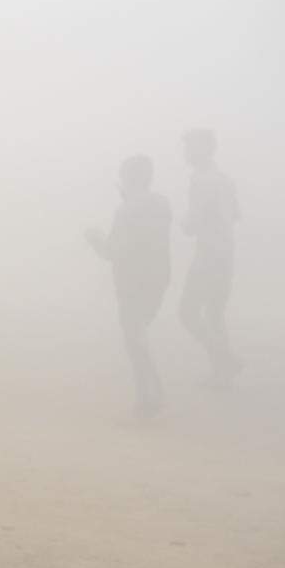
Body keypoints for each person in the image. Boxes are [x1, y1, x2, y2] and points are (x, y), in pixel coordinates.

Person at [86, 155, 172, 418]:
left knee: (134, 338)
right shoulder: (162, 203)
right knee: (139, 332)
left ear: (128, 178)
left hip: (132, 281)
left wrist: (94, 238)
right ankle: (154, 393)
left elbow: (114, 251)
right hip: (159, 277)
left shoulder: (126, 210)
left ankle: (148, 399)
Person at [178, 128, 242, 384]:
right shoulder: (225, 179)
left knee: (187, 312)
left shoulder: (202, 180)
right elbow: (235, 215)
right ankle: (222, 372)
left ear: (205, 148)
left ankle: (224, 359)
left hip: (208, 254)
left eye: (190, 146)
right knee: (215, 312)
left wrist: (182, 222)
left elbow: (190, 225)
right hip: (227, 252)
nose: (186, 152)